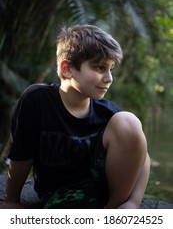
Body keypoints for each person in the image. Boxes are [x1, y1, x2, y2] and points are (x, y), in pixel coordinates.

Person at [0, 24, 150, 209]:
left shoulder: (110, 114)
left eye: (111, 69)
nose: (109, 78)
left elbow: (143, 157)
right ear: (67, 69)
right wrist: (11, 200)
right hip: (61, 195)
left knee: (129, 122)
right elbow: (22, 154)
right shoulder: (38, 100)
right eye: (100, 67)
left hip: (107, 193)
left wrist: (133, 202)